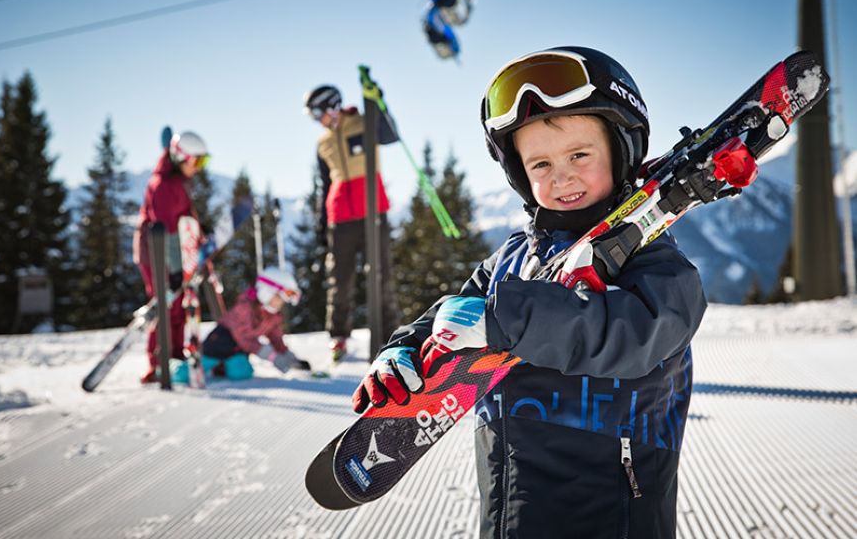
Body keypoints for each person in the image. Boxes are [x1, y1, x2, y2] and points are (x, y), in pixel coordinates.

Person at [351, 47, 707, 538]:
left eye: (579, 155)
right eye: (539, 164)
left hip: (613, 514)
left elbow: (636, 333)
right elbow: (454, 311)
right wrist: (402, 350)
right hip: (508, 506)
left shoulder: (654, 262)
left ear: (621, 150)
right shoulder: (511, 259)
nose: (560, 177)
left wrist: (507, 323)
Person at [304, 84, 401, 362]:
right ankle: (338, 336)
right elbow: (325, 184)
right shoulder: (322, 143)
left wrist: (378, 102)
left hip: (373, 210)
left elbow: (390, 134)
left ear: (331, 106)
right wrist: (323, 224)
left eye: (317, 114)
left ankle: (391, 335)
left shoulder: (363, 122)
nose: (316, 121)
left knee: (380, 274)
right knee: (340, 278)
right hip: (340, 216)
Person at [133, 130, 210, 384]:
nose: (198, 168)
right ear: (180, 157)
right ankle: (158, 364)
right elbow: (164, 229)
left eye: (203, 162)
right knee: (165, 306)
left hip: (177, 253)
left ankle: (175, 357)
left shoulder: (177, 182)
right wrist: (175, 268)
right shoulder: (162, 186)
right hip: (155, 254)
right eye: (196, 162)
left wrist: (198, 238)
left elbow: (184, 220)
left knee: (178, 306)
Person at [194, 267, 310, 381]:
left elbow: (276, 338)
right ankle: (182, 369)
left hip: (238, 351)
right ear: (267, 292)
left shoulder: (272, 315)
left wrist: (289, 357)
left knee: (242, 373)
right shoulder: (244, 307)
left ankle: (221, 367)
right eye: (279, 298)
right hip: (218, 344)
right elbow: (243, 338)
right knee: (193, 370)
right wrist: (272, 357)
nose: (281, 303)